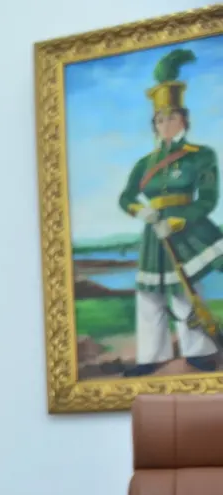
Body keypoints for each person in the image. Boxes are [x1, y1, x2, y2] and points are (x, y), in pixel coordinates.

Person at [117, 47, 223, 376]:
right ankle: (151, 356)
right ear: (154, 123)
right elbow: (125, 197)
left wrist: (178, 221)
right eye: (160, 119)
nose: (166, 124)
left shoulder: (200, 155)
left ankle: (200, 352)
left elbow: (208, 200)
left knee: (185, 291)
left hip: (187, 231)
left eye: (172, 118)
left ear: (184, 120)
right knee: (150, 296)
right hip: (154, 234)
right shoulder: (144, 164)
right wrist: (142, 212)